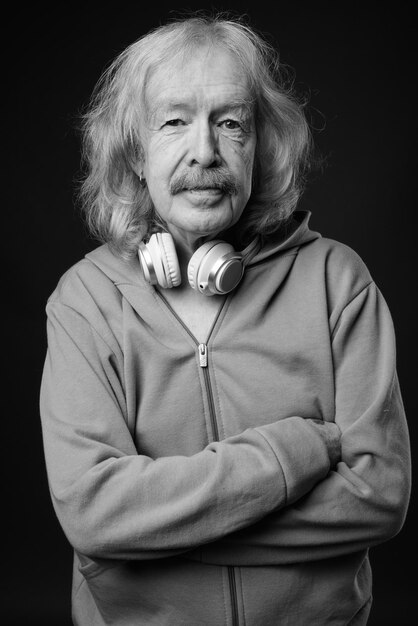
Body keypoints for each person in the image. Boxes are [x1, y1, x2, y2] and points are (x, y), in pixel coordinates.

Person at [39, 14, 411, 626]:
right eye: (174, 122)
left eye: (230, 123)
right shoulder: (84, 301)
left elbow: (379, 497)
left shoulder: (337, 281)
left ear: (261, 146)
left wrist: (158, 531)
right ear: (134, 153)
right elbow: (94, 513)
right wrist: (296, 452)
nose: (205, 151)